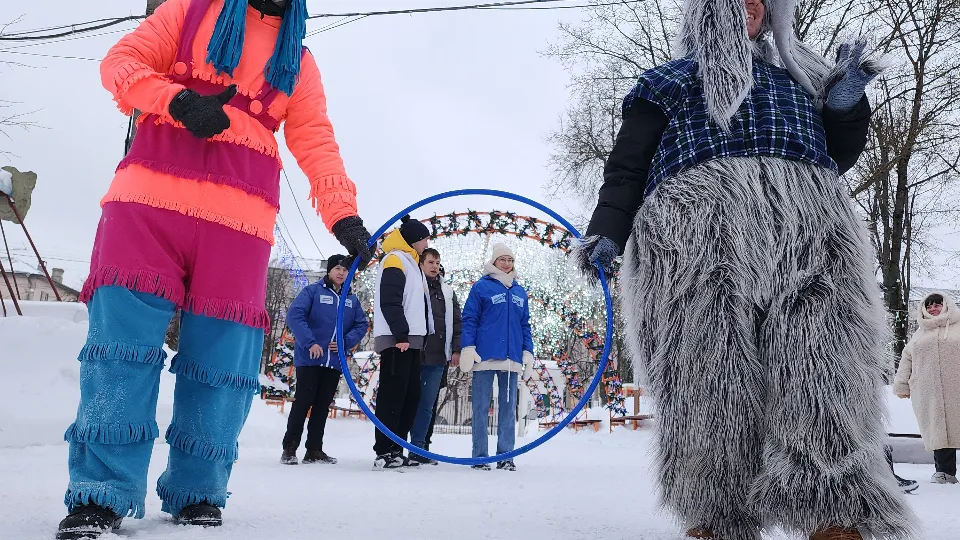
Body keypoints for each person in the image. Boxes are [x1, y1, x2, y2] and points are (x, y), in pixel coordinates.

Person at [574, 0, 914, 537]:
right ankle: (716, 512)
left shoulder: (799, 82)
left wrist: (846, 109)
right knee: (709, 377)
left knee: (821, 369)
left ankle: (835, 509)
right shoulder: (668, 82)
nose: (752, 6)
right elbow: (628, 166)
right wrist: (607, 230)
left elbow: (838, 155)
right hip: (698, 245)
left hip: (809, 240)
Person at [57, 0, 374, 538]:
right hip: (146, 205)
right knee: (121, 352)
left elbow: (315, 141)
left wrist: (344, 216)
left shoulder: (298, 60)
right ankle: (100, 495)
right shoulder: (186, 12)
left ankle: (198, 491)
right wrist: (176, 99)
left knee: (223, 362)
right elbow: (122, 62)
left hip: (240, 223)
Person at [280, 255, 369, 466]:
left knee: (322, 406)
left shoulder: (351, 300)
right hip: (311, 358)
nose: (341, 273)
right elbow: (295, 315)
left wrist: (344, 342)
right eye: (337, 268)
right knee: (303, 403)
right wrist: (310, 343)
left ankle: (314, 450)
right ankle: (290, 449)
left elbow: (361, 325)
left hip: (334, 361)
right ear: (329, 270)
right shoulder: (313, 291)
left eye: (345, 270)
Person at [459, 244, 534, 472]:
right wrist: (468, 347)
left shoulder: (520, 291)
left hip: (511, 360)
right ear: (494, 261)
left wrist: (527, 352)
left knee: (508, 409)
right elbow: (470, 318)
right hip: (484, 356)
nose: (507, 264)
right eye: (502, 259)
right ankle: (480, 456)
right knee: (481, 408)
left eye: (510, 260)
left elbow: (525, 325)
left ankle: (505, 456)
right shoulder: (481, 287)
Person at [372, 215, 433, 470]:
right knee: (392, 395)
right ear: (415, 239)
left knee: (410, 396)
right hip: (399, 341)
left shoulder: (412, 262)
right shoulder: (396, 259)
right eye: (425, 238)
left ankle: (397, 446)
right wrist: (401, 335)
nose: (427, 242)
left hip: (412, 341)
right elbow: (390, 299)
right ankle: (384, 450)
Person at [894, 292, 960, 485]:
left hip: (956, 388)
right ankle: (944, 473)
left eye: (937, 305)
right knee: (938, 429)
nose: (932, 309)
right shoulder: (919, 334)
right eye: (928, 306)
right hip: (928, 391)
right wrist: (902, 385)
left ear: (946, 305)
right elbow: (907, 359)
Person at [409, 250, 462, 465]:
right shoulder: (413, 286)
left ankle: (419, 448)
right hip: (414, 352)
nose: (435, 266)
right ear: (420, 264)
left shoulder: (447, 292)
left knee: (427, 404)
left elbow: (457, 322)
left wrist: (456, 349)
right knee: (409, 402)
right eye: (430, 262)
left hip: (437, 355)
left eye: (437, 263)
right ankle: (399, 446)